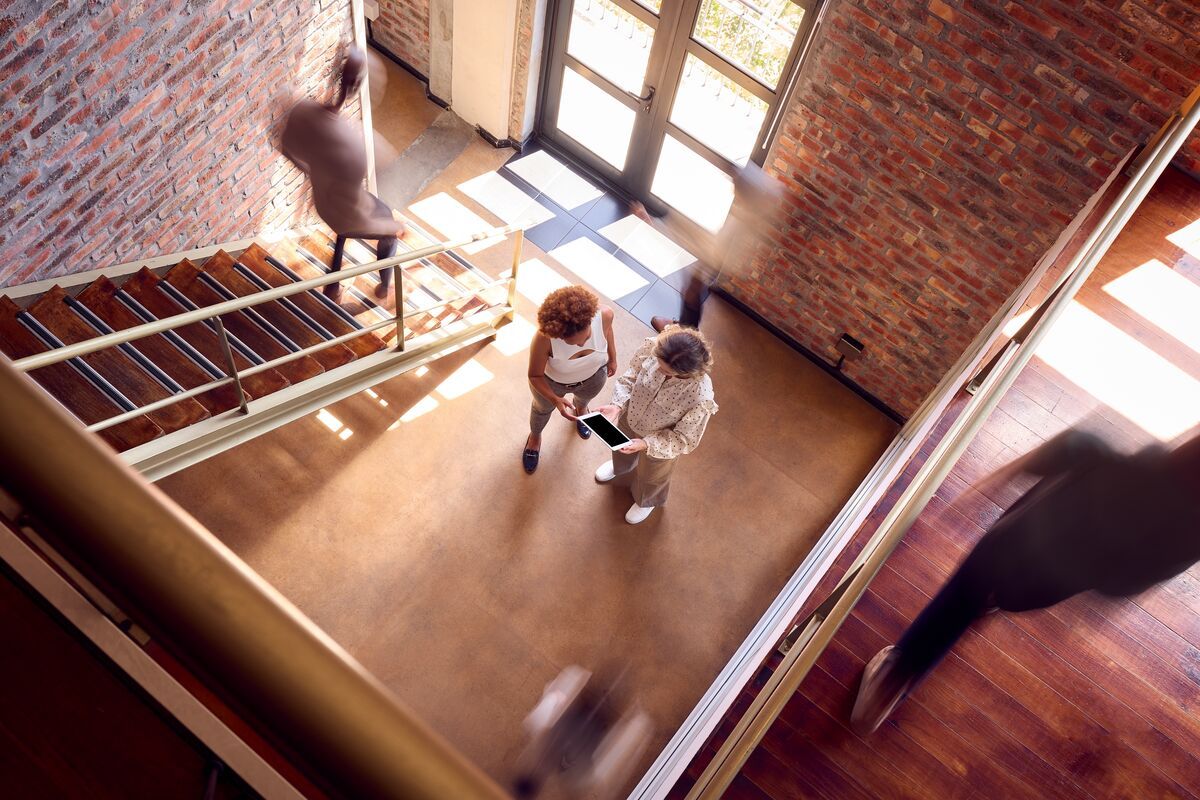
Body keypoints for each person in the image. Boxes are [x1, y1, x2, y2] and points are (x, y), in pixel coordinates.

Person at [851, 429, 1200, 735]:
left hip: (1006, 546)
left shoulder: (1120, 466)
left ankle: (892, 680)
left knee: (954, 604)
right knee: (990, 601)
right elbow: (1122, 586)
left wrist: (996, 480)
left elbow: (1066, 448)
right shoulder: (1187, 542)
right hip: (1043, 589)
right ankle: (988, 605)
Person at [281, 47, 404, 301]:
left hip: (323, 205)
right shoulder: (355, 150)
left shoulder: (306, 112)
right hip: (345, 214)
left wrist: (313, 171)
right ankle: (383, 287)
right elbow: (357, 218)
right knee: (387, 232)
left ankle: (332, 284)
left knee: (344, 226)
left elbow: (287, 148)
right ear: (361, 86)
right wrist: (393, 227)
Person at [631, 162, 784, 332]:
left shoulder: (736, 228)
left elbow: (708, 249)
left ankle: (684, 333)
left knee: (691, 291)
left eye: (736, 185)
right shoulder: (750, 204)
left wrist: (652, 223)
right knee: (691, 289)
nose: (733, 187)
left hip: (715, 255)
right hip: (716, 252)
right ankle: (684, 329)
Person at [592, 325, 717, 524]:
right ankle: (620, 467)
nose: (658, 369)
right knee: (620, 448)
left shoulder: (699, 397)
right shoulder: (654, 349)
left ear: (685, 373)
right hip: (631, 416)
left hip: (661, 440)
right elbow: (631, 376)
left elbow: (683, 439)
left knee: (653, 475)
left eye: (665, 370)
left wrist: (647, 444)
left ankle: (646, 501)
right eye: (658, 363)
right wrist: (617, 405)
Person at [512, 664, 652, 799]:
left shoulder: (540, 737)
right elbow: (605, 758)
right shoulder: (573, 776)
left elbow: (552, 703)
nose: (536, 770)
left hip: (588, 713)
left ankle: (605, 693)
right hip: (595, 719)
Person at [523, 286, 617, 474]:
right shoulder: (544, 338)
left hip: (593, 376)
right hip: (552, 384)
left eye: (586, 337)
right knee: (541, 410)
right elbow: (534, 375)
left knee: (584, 400)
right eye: (572, 343)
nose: (581, 344)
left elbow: (608, 332)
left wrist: (613, 357)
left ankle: (581, 410)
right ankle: (535, 436)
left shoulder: (605, 315)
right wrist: (554, 399)